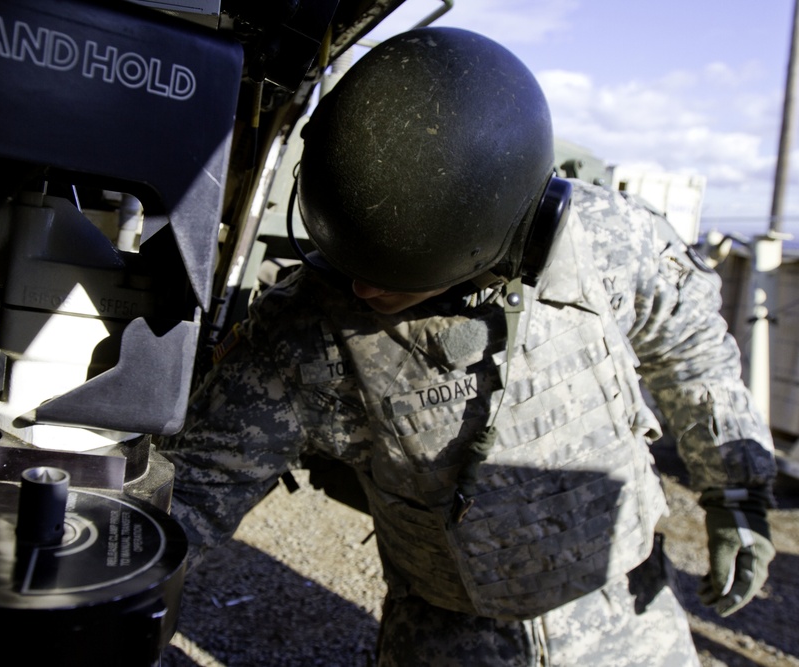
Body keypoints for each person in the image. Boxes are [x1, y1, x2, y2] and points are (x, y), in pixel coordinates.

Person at [158, 26, 778, 666]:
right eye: (351, 264)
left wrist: (737, 491)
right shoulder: (306, 336)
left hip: (629, 621)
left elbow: (694, 355)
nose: (363, 288)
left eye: (396, 271)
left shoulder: (611, 247)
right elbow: (196, 489)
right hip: (445, 640)